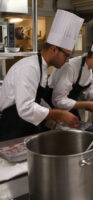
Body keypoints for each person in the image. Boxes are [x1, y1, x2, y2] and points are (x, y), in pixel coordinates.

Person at [0, 10, 83, 141]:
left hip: (25, 128)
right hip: (12, 131)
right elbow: (26, 108)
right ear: (54, 49)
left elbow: (37, 100)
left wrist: (54, 121)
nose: (67, 60)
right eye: (66, 55)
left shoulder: (41, 67)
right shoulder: (29, 68)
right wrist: (59, 114)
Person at [48, 21, 93, 120]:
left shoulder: (92, 70)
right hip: (52, 112)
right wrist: (87, 104)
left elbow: (86, 92)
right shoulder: (70, 67)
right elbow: (58, 100)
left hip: (70, 110)